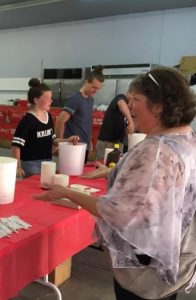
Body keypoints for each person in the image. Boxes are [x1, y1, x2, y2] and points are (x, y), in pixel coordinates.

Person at [36, 68, 196, 300]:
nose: (131, 108)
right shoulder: (187, 140)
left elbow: (120, 213)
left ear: (159, 106)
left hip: (145, 258)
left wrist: (67, 192)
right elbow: (161, 186)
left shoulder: (156, 150)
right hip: (172, 252)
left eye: (137, 100)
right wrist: (114, 174)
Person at [12, 78, 79, 177]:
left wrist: (66, 140)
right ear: (36, 100)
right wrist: (18, 166)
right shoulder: (28, 120)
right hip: (31, 164)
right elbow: (16, 146)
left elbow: (53, 139)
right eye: (47, 98)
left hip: (48, 162)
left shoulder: (48, 116)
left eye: (51, 98)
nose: (51, 101)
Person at [55, 65, 104, 162]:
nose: (96, 91)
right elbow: (60, 121)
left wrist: (89, 143)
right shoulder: (75, 99)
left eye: (98, 88)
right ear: (86, 82)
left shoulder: (90, 99)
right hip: (73, 146)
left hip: (84, 145)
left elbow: (86, 122)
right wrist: (60, 142)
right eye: (94, 87)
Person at [96, 85, 135, 160]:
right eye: (134, 97)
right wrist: (131, 122)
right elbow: (121, 104)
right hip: (106, 141)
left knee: (115, 167)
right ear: (130, 93)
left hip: (118, 143)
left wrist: (129, 130)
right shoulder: (121, 98)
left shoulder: (130, 108)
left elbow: (126, 128)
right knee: (101, 163)